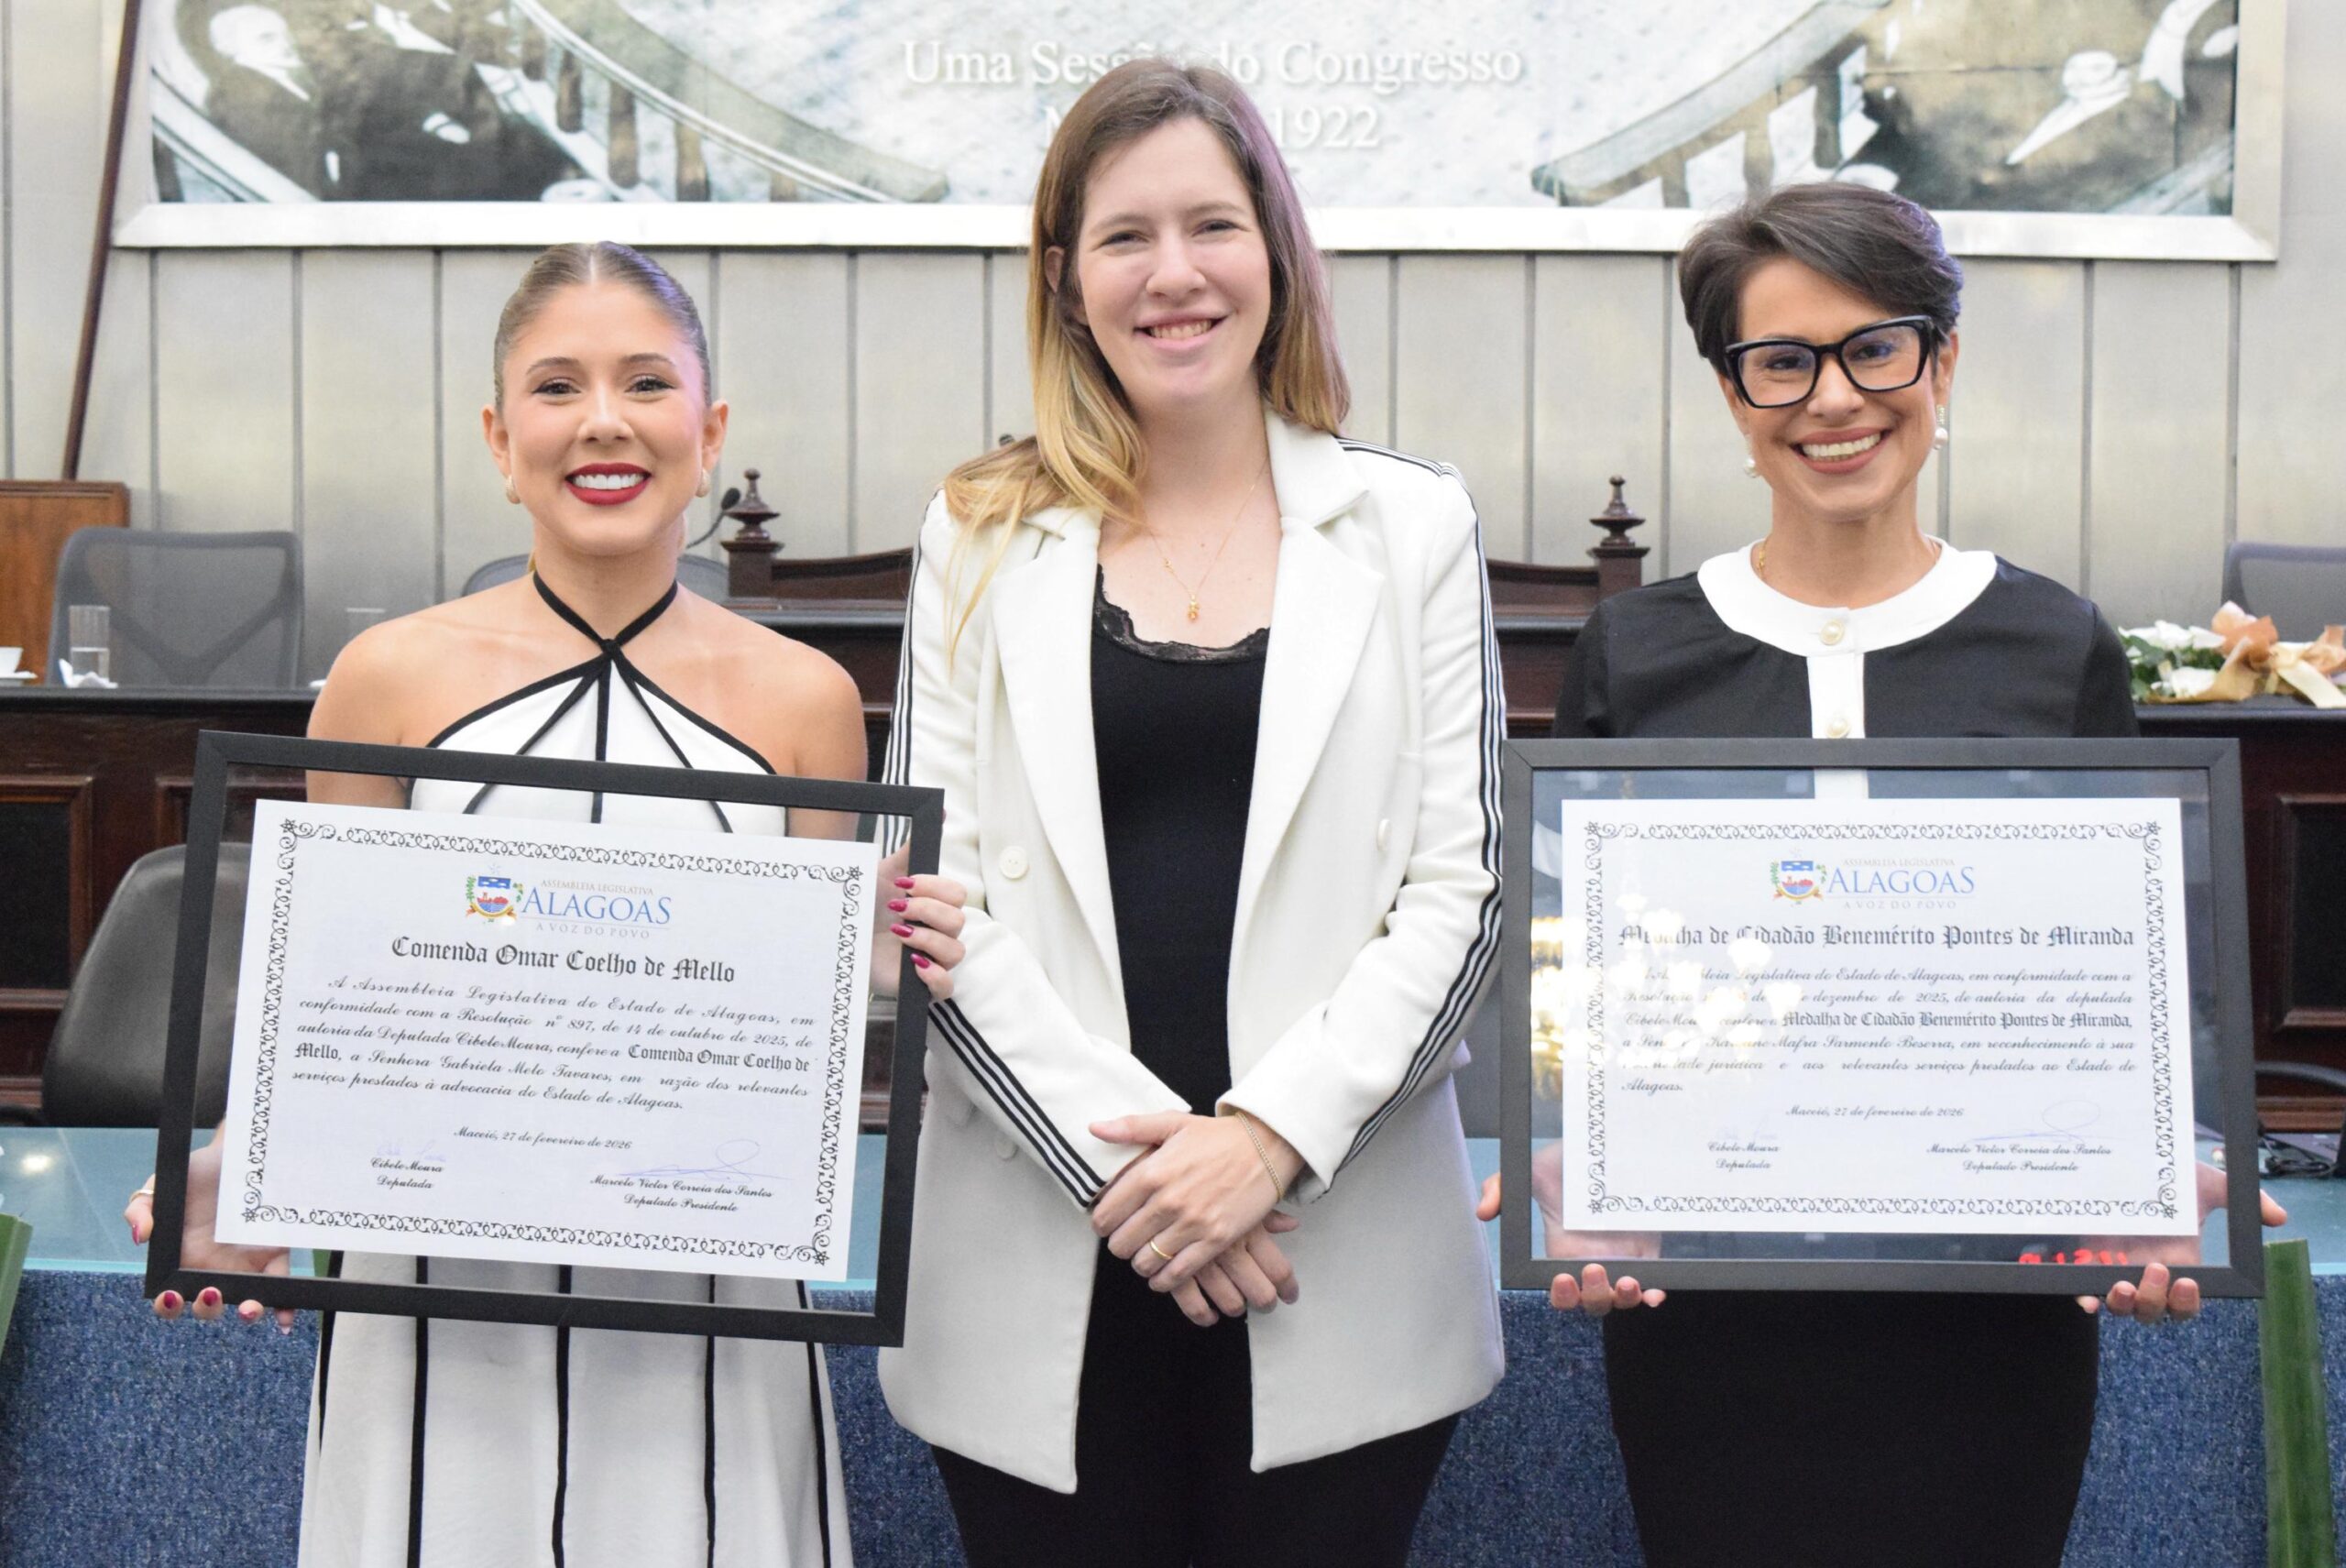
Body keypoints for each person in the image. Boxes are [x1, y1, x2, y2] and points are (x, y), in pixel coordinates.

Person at [1476, 181, 2283, 1567]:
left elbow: (2132, 977)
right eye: (1781, 361)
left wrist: (2163, 1171)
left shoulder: (2056, 645)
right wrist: (1573, 1148)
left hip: (1993, 1312)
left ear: (1942, 362)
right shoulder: (1640, 652)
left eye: (1875, 348)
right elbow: (1580, 972)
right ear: (1732, 393)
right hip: (1707, 1304)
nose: (1834, 398)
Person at [124, 241, 966, 1568]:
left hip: (711, 1317)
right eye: (558, 386)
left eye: (647, 383)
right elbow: (332, 999)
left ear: (710, 432)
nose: (603, 422)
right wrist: (250, 1164)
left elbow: (813, 1028)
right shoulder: (384, 678)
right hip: (435, 1319)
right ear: (499, 439)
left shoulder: (804, 700)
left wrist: (902, 956)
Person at [875, 58, 1504, 1567]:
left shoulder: (1413, 524)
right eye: (1125, 237)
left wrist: (1262, 1146)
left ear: (1276, 249)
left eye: (1213, 225)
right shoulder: (975, 534)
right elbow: (930, 904)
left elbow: (1464, 894)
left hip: (1328, 1246)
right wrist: (1147, 1186)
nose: (1175, 275)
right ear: (1063, 277)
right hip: (1042, 1241)